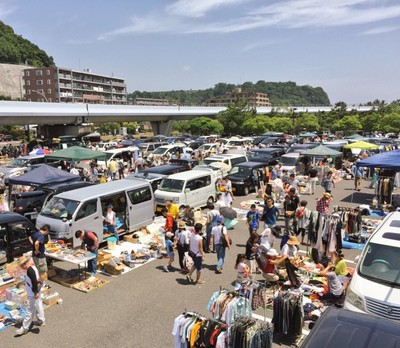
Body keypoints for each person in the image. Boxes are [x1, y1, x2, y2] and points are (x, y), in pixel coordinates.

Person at [15, 256, 45, 335]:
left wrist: (35, 293)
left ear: (24, 264)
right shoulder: (32, 268)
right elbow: (33, 280)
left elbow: (34, 282)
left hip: (33, 293)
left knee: (29, 311)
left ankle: (24, 328)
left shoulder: (30, 271)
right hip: (35, 291)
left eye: (21, 266)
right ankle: (40, 321)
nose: (21, 268)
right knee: (38, 306)